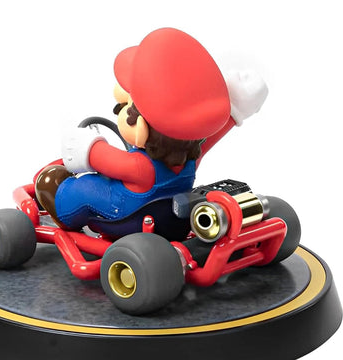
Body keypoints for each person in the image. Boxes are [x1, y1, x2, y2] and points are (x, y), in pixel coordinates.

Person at [35, 28, 268, 230]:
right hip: (168, 220)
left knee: (75, 185)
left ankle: (62, 210)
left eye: (125, 106)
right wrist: (236, 107)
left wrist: (87, 145)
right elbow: (214, 133)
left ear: (141, 128)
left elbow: (100, 157)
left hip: (125, 219)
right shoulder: (189, 157)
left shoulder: (140, 167)